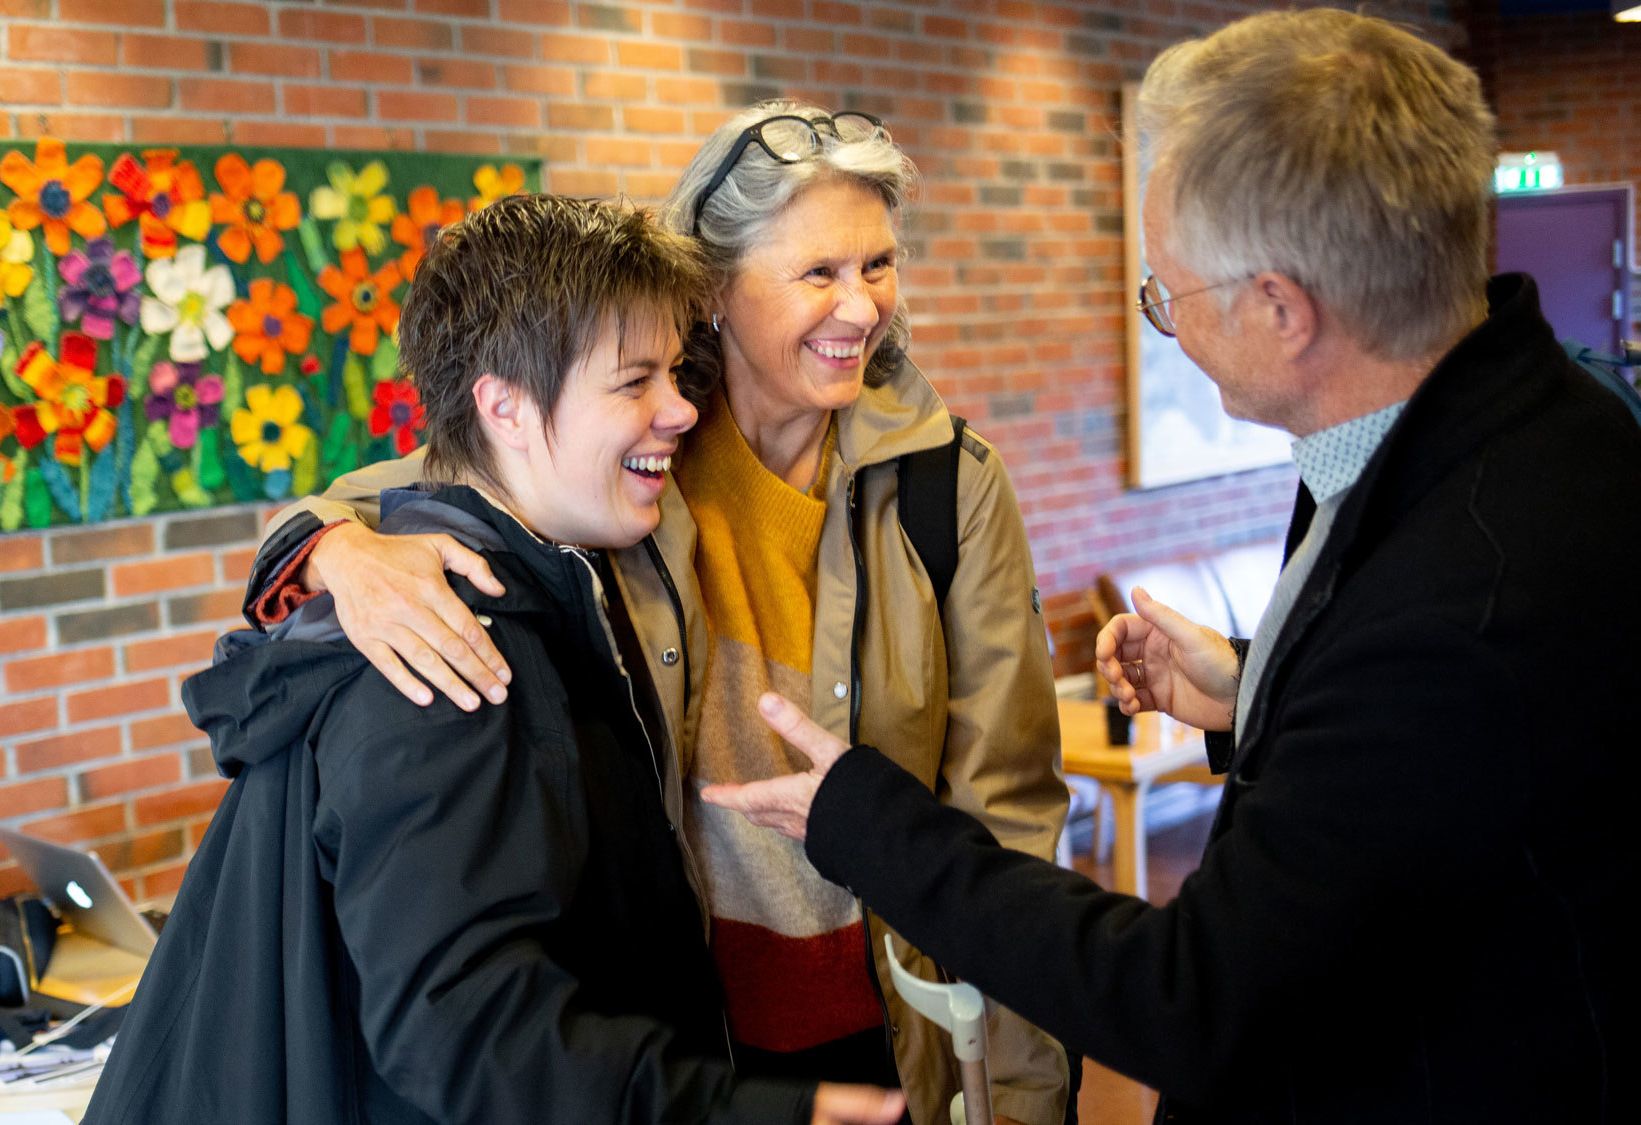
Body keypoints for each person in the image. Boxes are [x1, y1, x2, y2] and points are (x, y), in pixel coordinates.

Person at [701, 9, 1640, 1123]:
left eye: (1168, 295)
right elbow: (1435, 768)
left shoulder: (1458, 597)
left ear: (1281, 308)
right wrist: (1260, 686)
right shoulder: (1561, 434)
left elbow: (1191, 996)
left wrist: (864, 822)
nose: (1166, 328)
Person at [247, 103, 1073, 1125]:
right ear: (714, 288)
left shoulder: (949, 484)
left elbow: (1008, 819)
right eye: (818, 273)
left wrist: (1028, 1096)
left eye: (878, 265)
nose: (860, 306)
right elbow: (409, 486)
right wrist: (328, 548)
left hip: (900, 1032)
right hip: (685, 1039)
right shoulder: (636, 452)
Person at [85, 195, 905, 1125]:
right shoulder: (452, 651)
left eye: (676, 373)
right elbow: (464, 1029)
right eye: (634, 381)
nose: (681, 409)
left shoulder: (549, 582)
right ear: (504, 406)